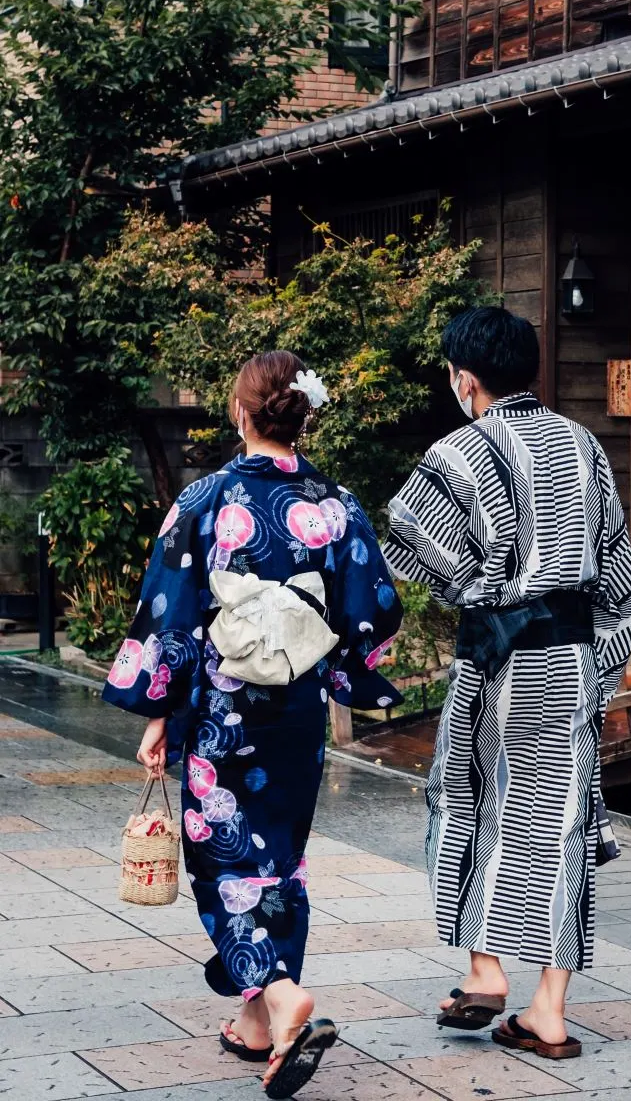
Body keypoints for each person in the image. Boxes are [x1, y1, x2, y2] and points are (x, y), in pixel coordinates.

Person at [104, 350, 403, 1099]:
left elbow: (169, 611)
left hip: (223, 714)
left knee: (227, 865)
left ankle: (280, 993)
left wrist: (157, 713)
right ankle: (258, 1028)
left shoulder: (205, 499)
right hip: (296, 714)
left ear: (241, 415)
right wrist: (336, 663)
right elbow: (374, 611)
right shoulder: (337, 506)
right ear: (304, 417)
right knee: (280, 863)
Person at [382, 307, 631, 1061]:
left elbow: (406, 539)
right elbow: (619, 576)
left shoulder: (458, 451)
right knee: (561, 825)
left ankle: (485, 969)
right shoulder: (584, 445)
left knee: (468, 799)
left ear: (465, 379)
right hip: (571, 662)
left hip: (497, 661)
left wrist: (477, 585)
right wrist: (601, 670)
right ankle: (549, 1013)